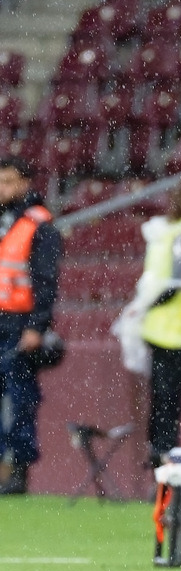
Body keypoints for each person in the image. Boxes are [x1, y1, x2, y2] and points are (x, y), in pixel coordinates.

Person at [128, 180, 181, 467]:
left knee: (162, 396)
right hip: (172, 329)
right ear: (180, 202)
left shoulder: (169, 231)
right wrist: (151, 303)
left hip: (161, 326)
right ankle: (165, 458)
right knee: (169, 398)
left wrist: (144, 306)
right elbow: (177, 280)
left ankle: (158, 454)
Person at [0, 156, 62, 495]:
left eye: (9, 181)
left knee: (21, 398)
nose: (3, 188)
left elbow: (45, 280)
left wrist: (37, 325)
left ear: (25, 183)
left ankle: (19, 470)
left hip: (19, 322)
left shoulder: (38, 224)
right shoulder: (6, 220)